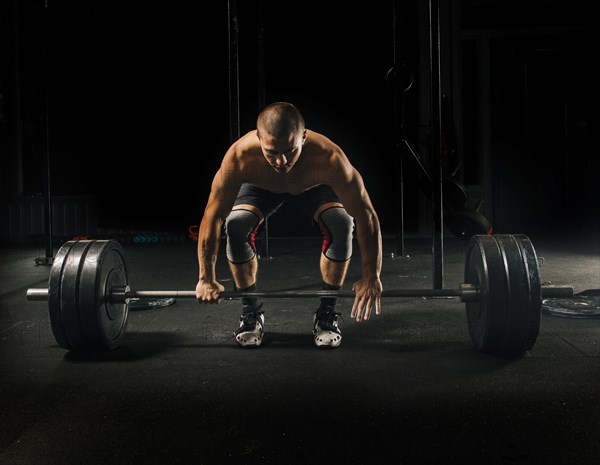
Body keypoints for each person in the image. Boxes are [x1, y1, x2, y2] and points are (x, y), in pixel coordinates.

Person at [195, 102, 382, 348]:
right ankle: (251, 313)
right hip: (261, 185)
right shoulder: (240, 157)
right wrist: (206, 277)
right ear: (258, 137)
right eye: (271, 152)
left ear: (303, 137)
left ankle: (326, 314)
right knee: (236, 225)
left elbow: (366, 215)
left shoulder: (329, 158)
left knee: (342, 223)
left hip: (314, 185)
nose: (281, 161)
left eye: (290, 151)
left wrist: (371, 276)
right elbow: (213, 216)